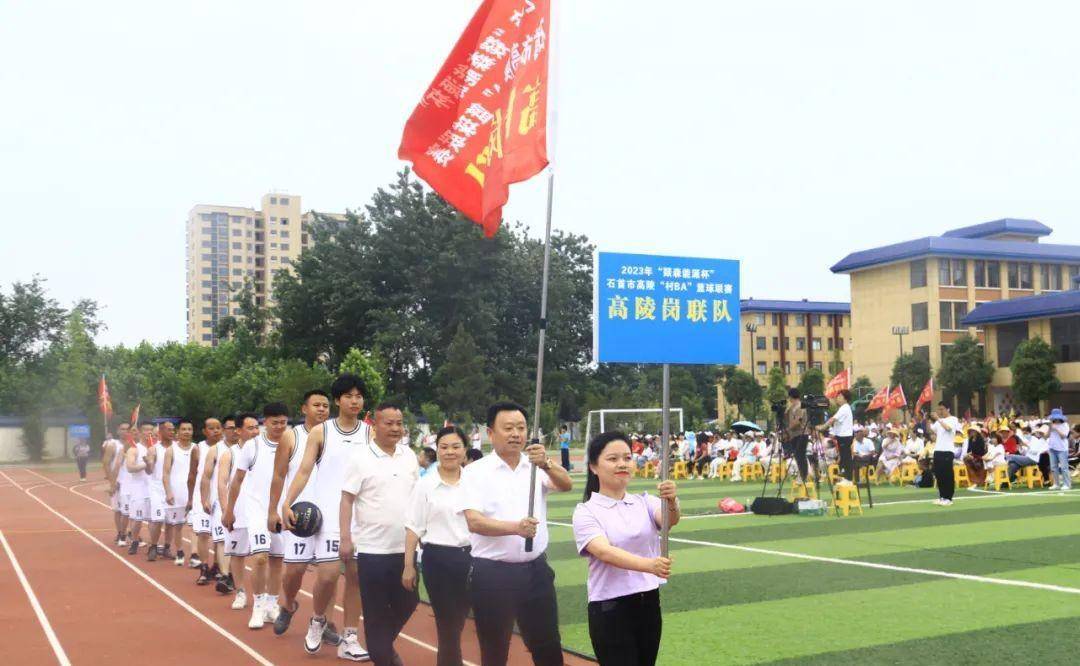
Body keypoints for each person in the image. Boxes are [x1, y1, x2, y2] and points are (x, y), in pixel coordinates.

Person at [459, 401, 573, 666]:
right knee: (495, 649)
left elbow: (566, 484)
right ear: (491, 433)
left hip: (535, 572)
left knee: (548, 646)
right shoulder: (475, 472)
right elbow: (474, 522)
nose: (515, 434)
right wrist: (516, 528)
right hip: (492, 574)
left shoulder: (535, 466)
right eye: (508, 428)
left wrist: (546, 463)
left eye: (521, 428)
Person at [281, 374, 371, 660]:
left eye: (359, 396)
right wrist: (287, 502)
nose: (354, 401)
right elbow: (305, 469)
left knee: (356, 577)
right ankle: (318, 619)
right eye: (349, 396)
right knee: (329, 575)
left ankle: (349, 638)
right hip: (330, 515)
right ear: (337, 400)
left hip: (361, 515)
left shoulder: (370, 434)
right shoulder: (322, 432)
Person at [572, 432, 679, 666]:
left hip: (648, 602)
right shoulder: (586, 511)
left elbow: (669, 521)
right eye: (612, 459)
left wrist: (671, 501)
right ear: (593, 467)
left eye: (627, 457)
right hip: (610, 607)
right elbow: (604, 551)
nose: (622, 464)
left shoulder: (644, 501)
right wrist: (649, 565)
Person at [341, 402, 420, 666]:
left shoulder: (409, 456)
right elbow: (346, 500)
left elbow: (418, 498)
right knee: (375, 612)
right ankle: (383, 653)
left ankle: (380, 646)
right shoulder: (360, 458)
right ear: (374, 424)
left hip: (405, 550)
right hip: (373, 550)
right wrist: (345, 538)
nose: (395, 428)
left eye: (399, 423)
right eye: (389, 423)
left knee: (409, 601)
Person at [267, 389, 333, 638]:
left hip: (330, 514)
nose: (321, 410)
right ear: (304, 408)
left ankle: (323, 620)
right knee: (294, 571)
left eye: (326, 406)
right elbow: (278, 476)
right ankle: (289, 604)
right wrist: (273, 510)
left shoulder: (336, 437)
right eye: (316, 405)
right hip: (298, 515)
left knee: (329, 574)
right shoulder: (291, 437)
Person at [403, 425, 471, 666]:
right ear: (437, 450)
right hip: (438, 559)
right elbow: (413, 526)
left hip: (472, 560)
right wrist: (408, 565)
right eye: (444, 447)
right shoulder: (425, 485)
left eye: (455, 447)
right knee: (447, 622)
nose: (450, 452)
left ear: (465, 450)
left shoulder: (475, 482)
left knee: (461, 618)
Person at [223, 406, 288, 630]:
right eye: (275, 422)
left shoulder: (292, 443)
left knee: (277, 560)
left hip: (280, 510)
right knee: (260, 557)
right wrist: (229, 510)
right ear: (265, 423)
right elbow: (237, 481)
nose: (279, 426)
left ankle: (272, 604)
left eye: (283, 422)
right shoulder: (253, 446)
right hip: (257, 510)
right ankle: (258, 605)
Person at [220, 414, 259, 609]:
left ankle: (266, 597)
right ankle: (241, 592)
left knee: (263, 555)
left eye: (256, 427)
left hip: (259, 511)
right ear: (238, 430)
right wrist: (227, 510)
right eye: (250, 428)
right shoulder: (230, 454)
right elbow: (222, 483)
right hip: (238, 511)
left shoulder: (265, 450)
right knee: (237, 554)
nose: (255, 431)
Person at [197, 417, 226, 584]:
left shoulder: (231, 448)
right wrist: (200, 498)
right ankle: (203, 567)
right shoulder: (198, 448)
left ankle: (217, 566)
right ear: (204, 431)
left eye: (218, 427)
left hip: (220, 497)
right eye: (211, 428)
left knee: (220, 536)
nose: (216, 430)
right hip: (202, 495)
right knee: (203, 533)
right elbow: (196, 474)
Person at [163, 420, 196, 566]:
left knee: (195, 525)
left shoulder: (197, 448)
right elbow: (165, 473)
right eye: (184, 429)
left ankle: (194, 554)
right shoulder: (171, 450)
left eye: (189, 429)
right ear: (178, 432)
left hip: (193, 493)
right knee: (178, 525)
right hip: (177, 493)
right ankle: (180, 551)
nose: (187, 432)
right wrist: (168, 492)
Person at [125, 422, 155, 553]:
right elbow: (130, 467)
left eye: (151, 430)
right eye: (146, 430)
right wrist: (146, 464)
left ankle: (153, 545)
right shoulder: (134, 449)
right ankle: (135, 540)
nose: (149, 433)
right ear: (141, 432)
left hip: (153, 488)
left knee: (154, 519)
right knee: (137, 519)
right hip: (138, 489)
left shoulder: (155, 449)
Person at [145, 420, 172, 561]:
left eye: (172, 430)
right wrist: (149, 464)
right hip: (157, 488)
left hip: (173, 488)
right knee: (158, 518)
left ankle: (167, 547)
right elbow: (149, 470)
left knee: (171, 521)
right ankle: (153, 546)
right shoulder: (153, 449)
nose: (171, 432)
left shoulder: (177, 448)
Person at [102, 424, 129, 545]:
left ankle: (131, 533)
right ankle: (120, 533)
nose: (125, 431)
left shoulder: (134, 445)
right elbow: (106, 463)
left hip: (131, 482)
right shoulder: (113, 445)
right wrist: (112, 481)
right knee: (118, 510)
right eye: (122, 429)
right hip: (118, 482)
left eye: (127, 429)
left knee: (130, 510)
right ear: (118, 431)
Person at [819, 389, 854, 480]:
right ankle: (846, 476)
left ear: (845, 399)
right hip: (843, 436)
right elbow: (838, 423)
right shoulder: (844, 408)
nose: (837, 398)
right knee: (844, 457)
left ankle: (848, 478)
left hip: (844, 437)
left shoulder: (844, 408)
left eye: (840, 396)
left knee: (846, 457)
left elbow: (832, 419)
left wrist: (823, 427)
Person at [929, 402, 960, 506]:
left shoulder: (953, 419)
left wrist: (938, 418)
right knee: (939, 475)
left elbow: (948, 428)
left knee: (947, 475)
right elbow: (932, 430)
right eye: (939, 409)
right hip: (938, 450)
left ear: (948, 409)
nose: (940, 411)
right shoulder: (939, 422)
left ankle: (949, 498)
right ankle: (942, 496)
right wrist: (927, 419)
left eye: (942, 409)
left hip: (947, 451)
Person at [782, 388, 810, 482]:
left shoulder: (801, 405)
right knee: (797, 456)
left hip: (802, 433)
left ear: (791, 396)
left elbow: (798, 421)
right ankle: (801, 474)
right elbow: (786, 417)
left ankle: (804, 476)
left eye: (789, 397)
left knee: (801, 455)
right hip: (793, 435)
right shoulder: (791, 407)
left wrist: (788, 428)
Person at [1046, 408, 1071, 490]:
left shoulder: (1065, 425)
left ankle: (1067, 484)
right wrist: (1050, 428)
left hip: (1062, 449)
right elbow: (1046, 436)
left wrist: (1056, 429)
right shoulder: (1051, 425)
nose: (1055, 419)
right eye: (1054, 417)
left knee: (1064, 468)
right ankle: (1056, 484)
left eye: (1056, 417)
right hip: (1052, 448)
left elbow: (1063, 436)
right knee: (1053, 467)